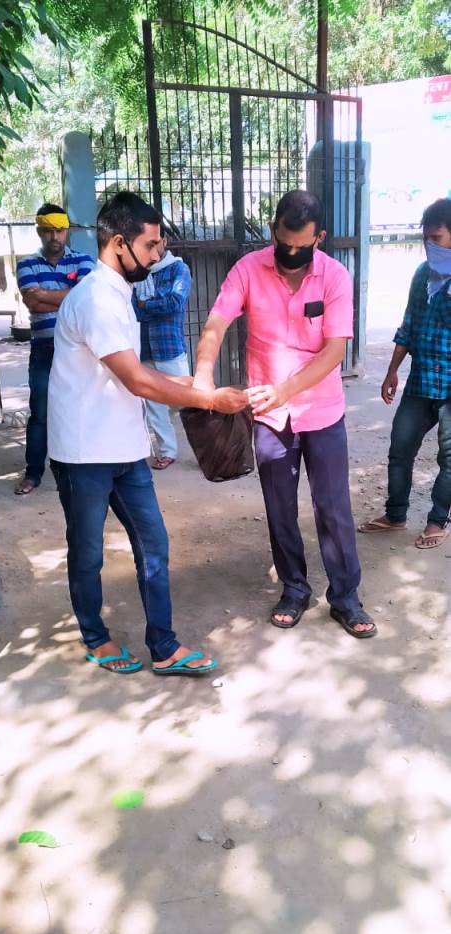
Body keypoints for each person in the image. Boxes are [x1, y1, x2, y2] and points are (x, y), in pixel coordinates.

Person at [48, 191, 247, 675]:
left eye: (160, 245)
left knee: (153, 544)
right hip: (83, 452)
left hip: (125, 447)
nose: (158, 255)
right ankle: (96, 638)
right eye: (151, 245)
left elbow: (132, 370)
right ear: (119, 243)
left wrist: (193, 384)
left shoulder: (120, 292)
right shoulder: (95, 299)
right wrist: (206, 400)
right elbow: (136, 380)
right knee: (88, 551)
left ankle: (164, 646)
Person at [194, 189, 376, 638]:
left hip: (321, 412)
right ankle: (294, 589)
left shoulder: (335, 276)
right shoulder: (247, 269)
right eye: (283, 242)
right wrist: (202, 377)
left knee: (333, 507)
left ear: (320, 238)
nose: (291, 253)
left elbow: (334, 351)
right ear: (274, 229)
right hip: (270, 418)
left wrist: (285, 390)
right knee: (279, 508)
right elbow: (216, 323)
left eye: (301, 245)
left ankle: (346, 597)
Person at [359, 197, 451, 550]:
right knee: (400, 447)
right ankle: (395, 514)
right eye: (426, 239)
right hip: (421, 381)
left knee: (449, 458)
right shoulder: (422, 274)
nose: (430, 245)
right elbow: (409, 325)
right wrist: (391, 371)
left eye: (437, 238)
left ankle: (437, 521)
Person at [14, 203, 95, 495]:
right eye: (48, 230)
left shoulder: (85, 260)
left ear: (67, 231)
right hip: (44, 349)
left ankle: (84, 469)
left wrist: (47, 295)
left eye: (60, 230)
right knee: (40, 412)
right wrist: (69, 296)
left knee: (81, 408)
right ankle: (33, 473)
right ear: (39, 231)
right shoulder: (26, 264)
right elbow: (33, 303)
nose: (55, 236)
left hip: (78, 350)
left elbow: (87, 299)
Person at [133, 224, 192, 470]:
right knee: (154, 407)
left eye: (155, 242)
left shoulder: (179, 269)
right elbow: (133, 310)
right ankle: (167, 452)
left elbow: (175, 302)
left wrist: (146, 305)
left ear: (164, 242)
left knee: (191, 403)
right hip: (144, 348)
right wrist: (151, 306)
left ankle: (212, 449)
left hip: (170, 348)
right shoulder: (138, 272)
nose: (152, 248)